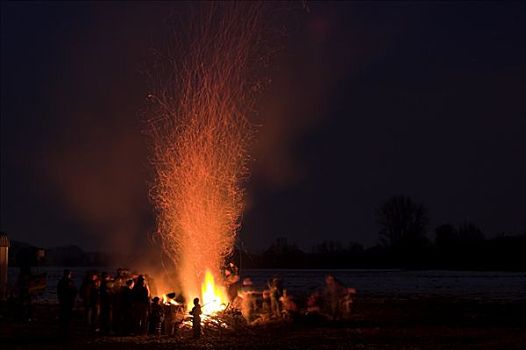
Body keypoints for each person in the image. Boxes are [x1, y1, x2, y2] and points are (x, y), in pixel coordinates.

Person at [57, 269, 77, 336]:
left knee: (63, 316)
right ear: (69, 274)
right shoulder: (69, 282)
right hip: (68, 301)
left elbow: (59, 291)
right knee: (67, 316)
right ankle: (66, 330)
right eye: (70, 274)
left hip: (63, 301)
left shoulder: (61, 281)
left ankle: (63, 329)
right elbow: (73, 291)